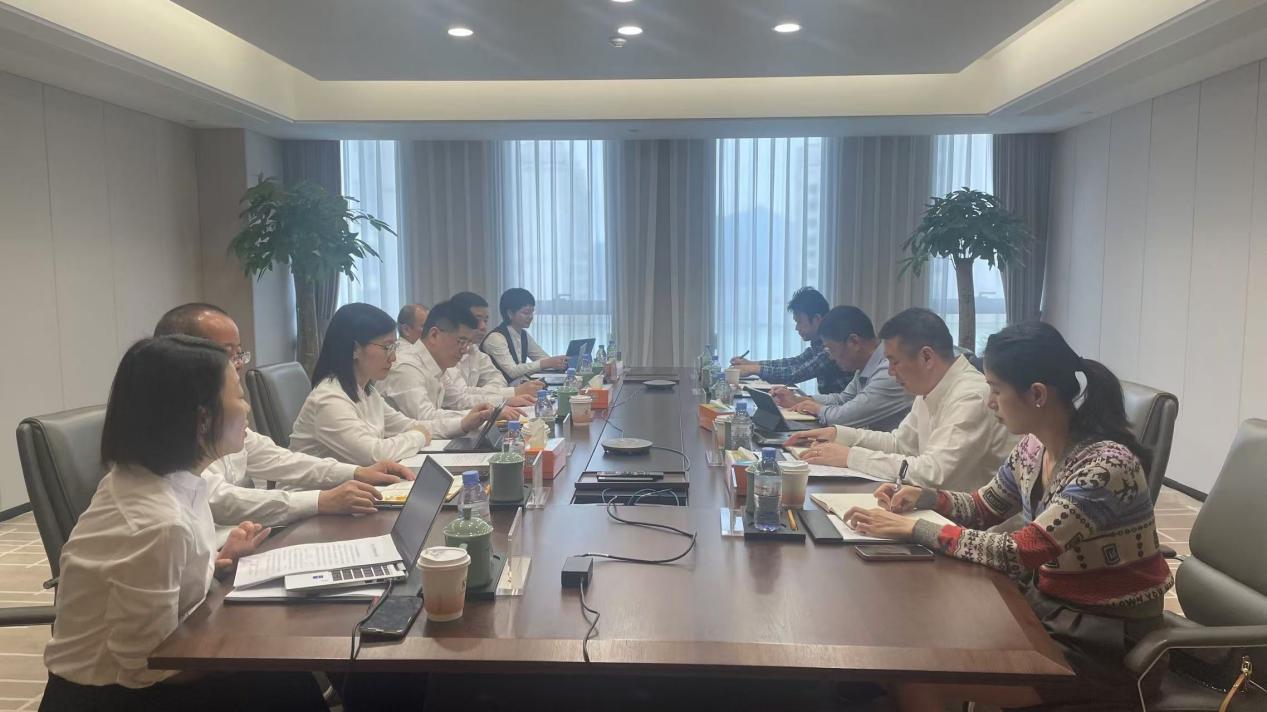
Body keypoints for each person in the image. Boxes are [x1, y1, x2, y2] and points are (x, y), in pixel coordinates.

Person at [841, 321, 1173, 709]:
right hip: (1047, 615)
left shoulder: (1105, 467)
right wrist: (925, 498)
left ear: (1037, 394)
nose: (989, 402)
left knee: (917, 672)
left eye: (996, 390)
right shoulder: (1033, 448)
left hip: (1104, 649)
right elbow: (983, 508)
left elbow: (1020, 551)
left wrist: (915, 529)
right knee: (910, 642)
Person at [41, 336, 327, 711]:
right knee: (285, 678)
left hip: (143, 673)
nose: (247, 407)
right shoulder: (158, 523)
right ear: (202, 419)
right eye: (239, 396)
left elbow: (165, 585)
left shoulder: (164, 480)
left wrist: (216, 564)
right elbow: (146, 667)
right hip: (111, 696)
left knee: (286, 672)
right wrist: (251, 650)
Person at [154, 303, 412, 540]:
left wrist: (356, 472)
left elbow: (278, 458)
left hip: (240, 537)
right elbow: (218, 498)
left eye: (239, 353)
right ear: (184, 357)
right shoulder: (175, 430)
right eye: (226, 354)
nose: (238, 365)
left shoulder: (222, 420)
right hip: (225, 543)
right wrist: (320, 500)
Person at [788, 308, 1014, 492]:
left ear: (926, 357)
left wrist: (850, 457)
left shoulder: (971, 395)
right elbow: (900, 444)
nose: (890, 372)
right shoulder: (930, 387)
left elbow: (933, 474)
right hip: (940, 511)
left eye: (894, 362)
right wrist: (838, 434)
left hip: (981, 527)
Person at [290, 303, 451, 464]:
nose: (393, 357)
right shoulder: (328, 399)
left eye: (394, 347)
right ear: (355, 349)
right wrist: (419, 436)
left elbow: (407, 425)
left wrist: (461, 425)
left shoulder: (367, 391)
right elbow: (374, 454)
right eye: (387, 347)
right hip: (319, 482)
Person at [771, 306, 912, 431]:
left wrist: (817, 409)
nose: (832, 358)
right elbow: (842, 399)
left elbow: (845, 418)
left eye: (831, 350)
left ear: (854, 342)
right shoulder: (866, 365)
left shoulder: (889, 372)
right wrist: (799, 400)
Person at [379, 300, 498, 438]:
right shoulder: (406, 367)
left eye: (468, 343)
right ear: (434, 335)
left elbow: (458, 400)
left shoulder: (438, 364)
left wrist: (487, 413)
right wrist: (477, 417)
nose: (465, 350)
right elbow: (425, 418)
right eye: (461, 341)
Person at [729, 286, 851, 394]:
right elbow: (793, 362)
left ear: (817, 319)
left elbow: (794, 373)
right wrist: (751, 363)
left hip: (841, 409)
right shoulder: (817, 344)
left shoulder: (831, 347)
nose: (797, 328)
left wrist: (754, 369)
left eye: (799, 321)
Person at [445, 291, 541, 409]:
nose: (483, 327)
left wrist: (490, 394)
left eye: (485, 321)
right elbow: (460, 396)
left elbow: (498, 378)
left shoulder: (474, 350)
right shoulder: (446, 353)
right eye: (476, 320)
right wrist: (510, 393)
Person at [481, 288, 568, 383]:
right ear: (510, 313)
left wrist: (558, 362)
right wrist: (545, 363)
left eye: (532, 312)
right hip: (497, 389)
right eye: (526, 313)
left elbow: (543, 358)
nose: (531, 316)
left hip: (516, 387)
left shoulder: (523, 334)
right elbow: (512, 371)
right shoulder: (496, 338)